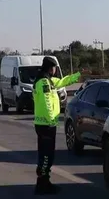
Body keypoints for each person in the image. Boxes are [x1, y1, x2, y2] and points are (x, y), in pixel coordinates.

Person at [32, 56, 80, 195]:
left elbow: (62, 81)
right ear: (50, 68)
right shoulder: (44, 82)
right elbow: (47, 102)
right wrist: (52, 119)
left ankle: (44, 182)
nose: (55, 70)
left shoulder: (48, 80)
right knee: (46, 156)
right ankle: (42, 185)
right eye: (54, 68)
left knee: (47, 154)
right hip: (46, 124)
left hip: (45, 124)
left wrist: (77, 76)